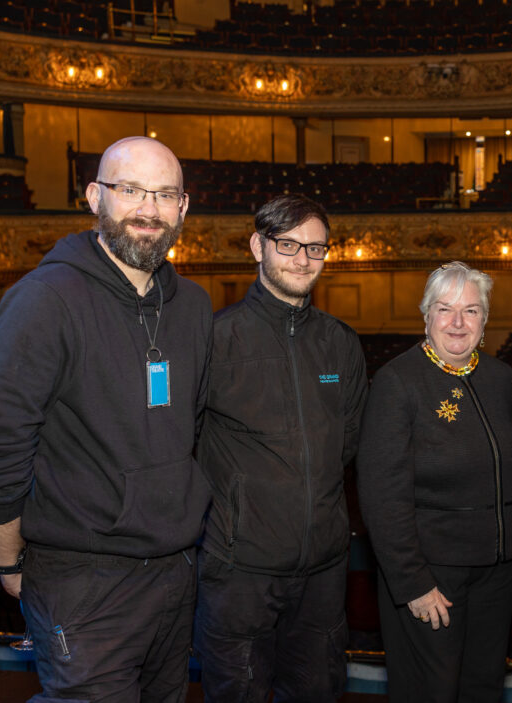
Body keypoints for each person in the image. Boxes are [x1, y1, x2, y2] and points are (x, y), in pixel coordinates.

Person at [0, 136, 212, 701]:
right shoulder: (43, 299)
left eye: (165, 195)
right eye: (130, 189)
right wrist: (6, 559)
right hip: (81, 580)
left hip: (173, 574)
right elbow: (1, 441)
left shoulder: (192, 305)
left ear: (183, 208)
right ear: (94, 196)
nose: (148, 208)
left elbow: (197, 430)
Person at [193, 194, 368, 702]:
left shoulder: (340, 342)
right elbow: (186, 443)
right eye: (288, 244)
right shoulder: (215, 340)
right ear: (257, 246)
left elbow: (348, 441)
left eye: (315, 248)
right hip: (238, 572)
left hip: (323, 571)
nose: (302, 258)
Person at [357, 261, 512, 703]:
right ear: (426, 315)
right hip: (431, 576)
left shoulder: (500, 378)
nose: (457, 322)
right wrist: (412, 582)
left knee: (482, 688)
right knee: (430, 692)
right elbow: (381, 494)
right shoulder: (397, 382)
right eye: (445, 308)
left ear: (485, 320)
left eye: (471, 310)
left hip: (497, 571)